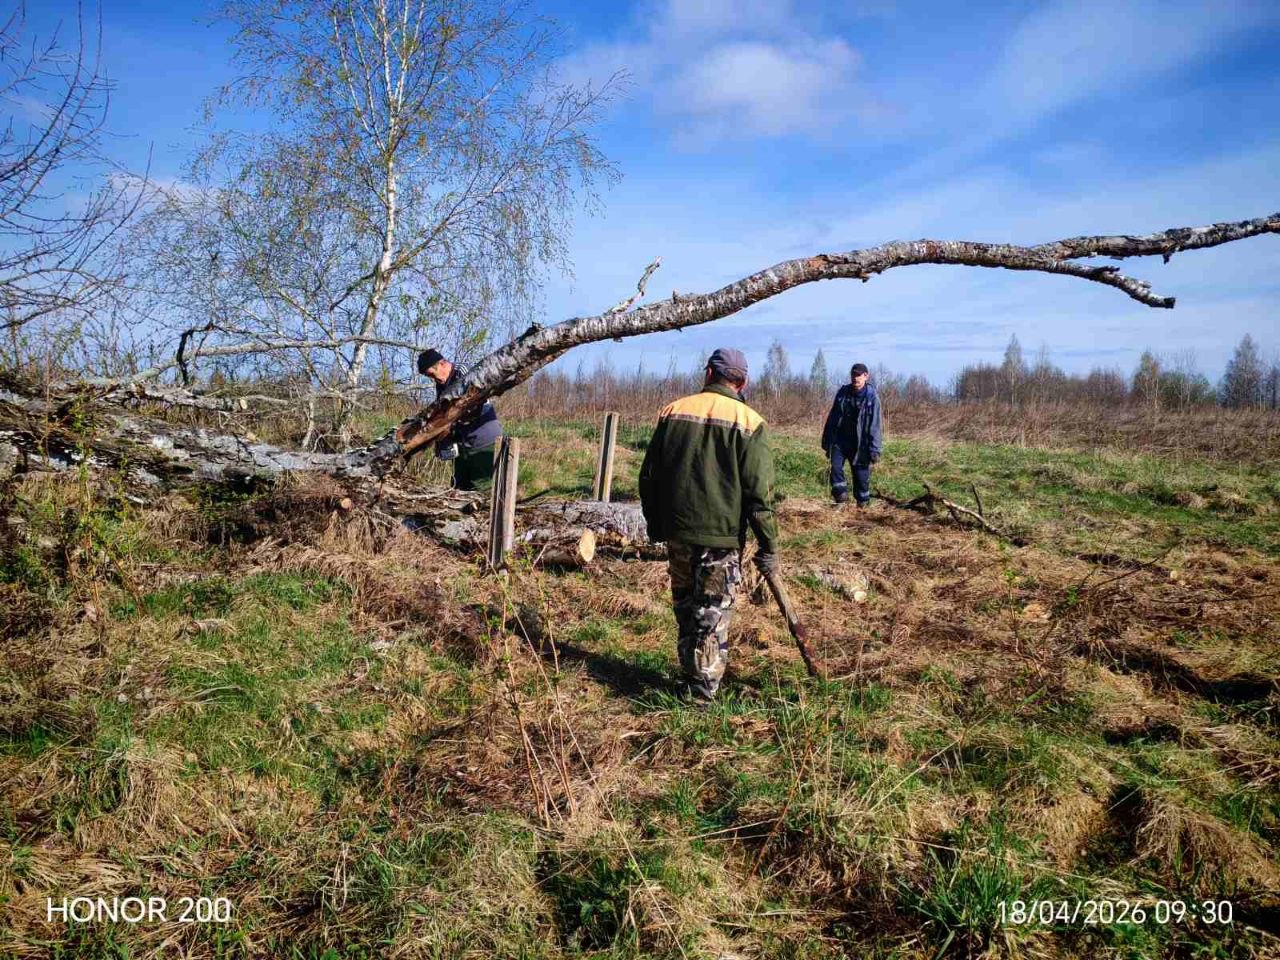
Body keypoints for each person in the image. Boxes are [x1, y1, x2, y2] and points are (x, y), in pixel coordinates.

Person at [639, 347, 779, 702]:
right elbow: (759, 494)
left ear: (708, 374)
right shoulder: (750, 423)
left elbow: (649, 476)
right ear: (743, 383)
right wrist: (769, 545)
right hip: (721, 538)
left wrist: (656, 524)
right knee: (711, 615)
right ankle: (702, 694)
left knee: (685, 608)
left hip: (678, 533)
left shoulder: (673, 411)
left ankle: (691, 678)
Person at [417, 348, 503, 490]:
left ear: (442, 363)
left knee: (483, 489)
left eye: (432, 374)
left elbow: (468, 407)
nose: (433, 379)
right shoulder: (441, 385)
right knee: (458, 489)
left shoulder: (464, 372)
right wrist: (443, 439)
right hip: (462, 446)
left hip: (483, 441)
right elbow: (443, 414)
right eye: (429, 377)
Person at [821, 362, 883, 506]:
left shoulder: (872, 398)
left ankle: (863, 505)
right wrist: (827, 440)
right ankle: (841, 498)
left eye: (859, 375)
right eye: (853, 375)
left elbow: (875, 426)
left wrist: (875, 449)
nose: (855, 378)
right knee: (835, 468)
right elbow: (833, 417)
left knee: (861, 477)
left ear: (866, 376)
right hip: (840, 441)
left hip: (861, 444)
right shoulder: (843, 393)